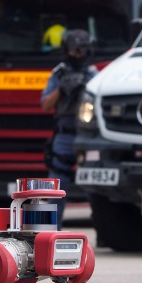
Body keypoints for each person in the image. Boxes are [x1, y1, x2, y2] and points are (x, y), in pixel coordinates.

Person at [40, 29, 98, 228]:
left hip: (88, 135)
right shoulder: (60, 73)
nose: (78, 54)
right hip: (64, 136)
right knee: (55, 187)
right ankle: (50, 232)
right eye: (74, 50)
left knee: (96, 186)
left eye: (82, 50)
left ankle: (105, 230)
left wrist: (87, 86)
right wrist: (62, 88)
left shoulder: (93, 74)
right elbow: (46, 104)